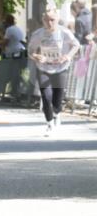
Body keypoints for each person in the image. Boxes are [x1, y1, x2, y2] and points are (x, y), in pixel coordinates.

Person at [28, 7, 81, 136]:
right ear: (42, 20)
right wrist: (36, 56)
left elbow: (76, 45)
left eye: (52, 20)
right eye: (46, 20)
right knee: (46, 97)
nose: (49, 22)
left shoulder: (64, 32)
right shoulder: (38, 34)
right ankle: (49, 124)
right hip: (43, 68)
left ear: (57, 20)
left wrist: (68, 56)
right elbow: (30, 51)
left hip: (60, 67)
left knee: (58, 97)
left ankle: (57, 114)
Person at [0, 14, 26, 102]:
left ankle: (0, 92)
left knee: (5, 72)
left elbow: (5, 42)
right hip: (20, 53)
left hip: (13, 54)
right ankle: (16, 92)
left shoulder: (9, 29)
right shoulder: (17, 28)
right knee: (15, 74)